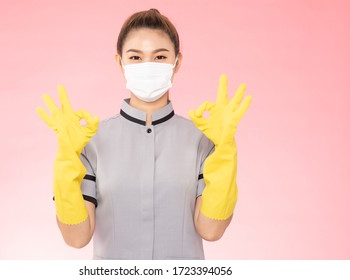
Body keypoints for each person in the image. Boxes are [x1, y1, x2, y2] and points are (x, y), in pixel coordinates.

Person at [36, 8, 252, 260]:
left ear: (176, 62)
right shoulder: (90, 141)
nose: (148, 65)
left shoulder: (201, 140)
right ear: (120, 63)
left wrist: (224, 148)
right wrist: (65, 160)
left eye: (159, 57)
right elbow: (76, 238)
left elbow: (211, 230)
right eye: (136, 58)